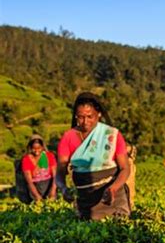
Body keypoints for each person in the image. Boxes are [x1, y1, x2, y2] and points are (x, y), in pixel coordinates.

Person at [56, 92, 131, 220]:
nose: (85, 122)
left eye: (90, 116)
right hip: (85, 201)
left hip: (113, 197)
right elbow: (60, 172)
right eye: (80, 117)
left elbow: (125, 168)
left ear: (99, 114)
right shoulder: (68, 137)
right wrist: (63, 189)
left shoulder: (111, 135)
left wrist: (113, 189)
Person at [19, 135, 57, 202]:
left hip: (49, 186)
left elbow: (55, 176)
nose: (36, 151)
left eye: (39, 148)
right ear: (30, 148)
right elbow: (29, 181)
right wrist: (37, 196)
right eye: (34, 148)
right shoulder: (26, 160)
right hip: (34, 188)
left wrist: (53, 192)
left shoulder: (49, 156)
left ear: (42, 147)